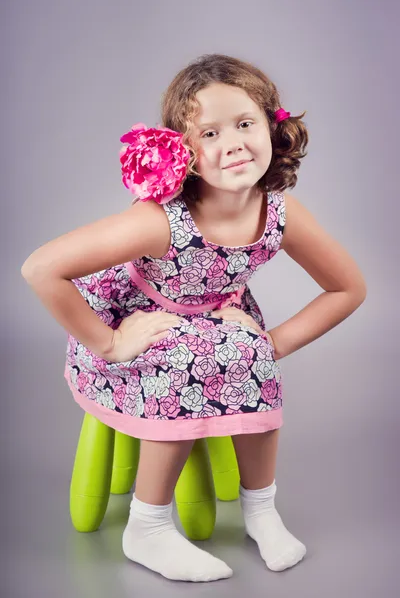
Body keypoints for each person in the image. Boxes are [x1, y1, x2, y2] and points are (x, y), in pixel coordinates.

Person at [21, 53, 367, 582]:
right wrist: (109, 343)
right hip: (134, 325)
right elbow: (41, 268)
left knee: (251, 354)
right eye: (209, 133)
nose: (232, 143)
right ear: (182, 152)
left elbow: (348, 287)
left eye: (245, 123)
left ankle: (262, 509)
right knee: (182, 357)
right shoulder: (158, 221)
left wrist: (274, 342)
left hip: (214, 322)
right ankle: (149, 526)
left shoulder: (279, 212)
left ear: (274, 127)